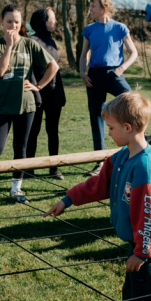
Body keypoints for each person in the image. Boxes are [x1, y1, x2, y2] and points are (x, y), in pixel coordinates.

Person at [44, 92, 151, 301]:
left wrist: (142, 252)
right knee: (131, 294)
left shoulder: (145, 168)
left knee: (144, 300)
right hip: (139, 241)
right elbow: (98, 185)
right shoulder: (121, 158)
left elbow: (150, 216)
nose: (109, 133)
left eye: (111, 128)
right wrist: (67, 200)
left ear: (128, 128)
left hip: (150, 243)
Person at [80, 0, 151, 177]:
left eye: (93, 6)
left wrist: (122, 68)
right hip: (94, 75)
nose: (90, 9)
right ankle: (99, 162)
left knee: (133, 101)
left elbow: (133, 52)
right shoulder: (89, 30)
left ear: (103, 7)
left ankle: (143, 138)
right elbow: (84, 55)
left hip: (115, 73)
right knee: (96, 115)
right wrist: (82, 73)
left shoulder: (120, 28)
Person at [0, 3, 59, 204]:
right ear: (2, 22)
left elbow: (54, 65)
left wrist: (39, 86)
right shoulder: (0, 44)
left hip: (26, 106)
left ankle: (16, 189)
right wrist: (8, 46)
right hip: (2, 105)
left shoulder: (29, 44)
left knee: (21, 147)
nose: (13, 26)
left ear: (21, 22)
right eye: (9, 21)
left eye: (17, 22)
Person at [25, 7, 66, 180]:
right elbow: (30, 70)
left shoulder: (51, 41)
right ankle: (29, 168)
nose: (55, 21)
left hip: (54, 95)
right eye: (52, 18)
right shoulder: (31, 40)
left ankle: (54, 167)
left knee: (53, 131)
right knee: (32, 131)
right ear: (44, 20)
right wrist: (37, 90)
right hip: (37, 94)